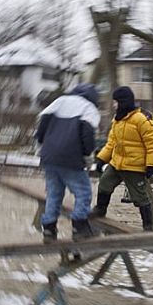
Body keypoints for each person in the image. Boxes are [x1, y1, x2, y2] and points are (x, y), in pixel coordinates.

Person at [35, 83, 100, 243]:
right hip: (70, 157)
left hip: (49, 156)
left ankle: (49, 228)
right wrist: (87, 153)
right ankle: (79, 227)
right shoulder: (89, 108)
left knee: (54, 193)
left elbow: (41, 127)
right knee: (83, 192)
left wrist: (45, 146)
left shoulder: (60, 101)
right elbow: (87, 133)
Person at [91, 86, 153, 231]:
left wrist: (151, 165)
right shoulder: (117, 120)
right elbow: (112, 143)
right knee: (105, 182)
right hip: (117, 163)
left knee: (140, 197)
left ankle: (148, 226)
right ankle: (100, 209)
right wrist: (101, 160)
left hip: (134, 166)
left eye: (116, 102)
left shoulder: (142, 119)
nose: (113, 105)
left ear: (123, 102)